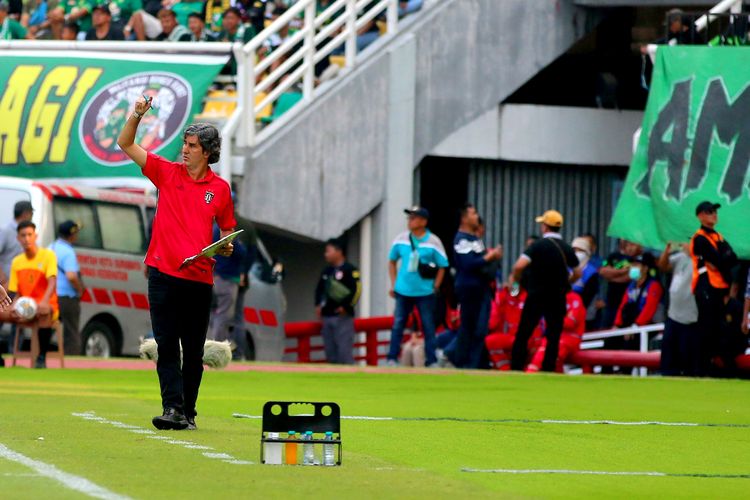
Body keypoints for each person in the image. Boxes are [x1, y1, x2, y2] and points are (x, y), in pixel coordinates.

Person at [117, 96, 236, 431]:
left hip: (199, 278)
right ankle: (172, 409)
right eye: (185, 143)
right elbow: (125, 143)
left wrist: (226, 247)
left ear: (208, 151)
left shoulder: (221, 190)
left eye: (192, 145)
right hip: (162, 274)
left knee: (193, 351)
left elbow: (228, 230)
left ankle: (189, 411)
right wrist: (138, 114)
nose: (185, 150)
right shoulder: (166, 173)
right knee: (167, 345)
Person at [510, 210, 580, 372]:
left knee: (524, 332)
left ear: (545, 227)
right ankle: (549, 368)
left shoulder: (537, 246)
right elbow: (577, 273)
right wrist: (565, 284)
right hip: (557, 296)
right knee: (553, 335)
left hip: (536, 295)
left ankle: (516, 366)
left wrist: (517, 284)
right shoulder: (567, 248)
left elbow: (518, 266)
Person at [386, 206, 449, 367]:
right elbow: (392, 261)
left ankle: (431, 360)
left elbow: (443, 265)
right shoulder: (401, 239)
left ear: (423, 222)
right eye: (409, 218)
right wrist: (394, 284)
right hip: (403, 289)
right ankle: (391, 358)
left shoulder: (433, 241)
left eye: (413, 218)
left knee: (428, 325)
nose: (410, 221)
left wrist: (436, 285)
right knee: (398, 323)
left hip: (425, 290)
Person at [690, 201, 737, 377]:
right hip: (706, 286)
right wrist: (724, 258)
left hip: (719, 286)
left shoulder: (717, 236)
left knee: (720, 327)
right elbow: (718, 259)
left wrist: (724, 258)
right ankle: (701, 368)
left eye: (715, 212)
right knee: (706, 327)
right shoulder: (700, 237)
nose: (714, 215)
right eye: (709, 212)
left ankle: (719, 366)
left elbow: (731, 257)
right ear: (700, 216)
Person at [452, 204, 501, 368]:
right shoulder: (461, 239)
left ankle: (473, 363)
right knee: (469, 327)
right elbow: (468, 264)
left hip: (482, 288)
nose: (476, 216)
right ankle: (462, 363)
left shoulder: (476, 240)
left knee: (480, 329)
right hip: (469, 288)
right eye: (473, 214)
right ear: (464, 218)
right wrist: (490, 257)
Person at [7, 221, 58, 369]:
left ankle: (41, 358)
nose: (27, 239)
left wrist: (44, 301)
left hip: (45, 303)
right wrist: (12, 306)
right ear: (18, 238)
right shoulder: (16, 262)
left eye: (30, 235)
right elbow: (15, 292)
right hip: (25, 305)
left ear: (35, 236)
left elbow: (52, 282)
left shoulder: (48, 256)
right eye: (23, 235)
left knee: (44, 312)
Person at [314, 238, 361, 365]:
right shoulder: (327, 271)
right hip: (327, 315)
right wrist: (318, 305)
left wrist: (346, 306)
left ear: (338, 251)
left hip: (342, 317)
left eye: (328, 251)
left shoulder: (350, 270)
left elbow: (357, 290)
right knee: (330, 353)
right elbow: (319, 289)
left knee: (344, 353)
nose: (326, 254)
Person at [657, 242, 699, 376]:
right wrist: (667, 251)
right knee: (668, 356)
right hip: (673, 315)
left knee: (686, 357)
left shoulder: (701, 261)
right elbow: (663, 266)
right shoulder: (680, 257)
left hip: (690, 318)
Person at [526, 288, 586, 373]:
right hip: (553, 335)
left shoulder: (574, 298)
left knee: (550, 352)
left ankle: (531, 373)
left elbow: (570, 323)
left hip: (570, 338)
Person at [49, 221, 84, 356]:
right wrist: (79, 289)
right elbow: (71, 276)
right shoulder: (68, 252)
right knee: (71, 332)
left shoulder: (50, 247)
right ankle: (71, 360)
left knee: (46, 327)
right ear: (71, 235)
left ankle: (40, 356)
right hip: (67, 297)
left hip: (51, 295)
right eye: (76, 233)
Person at [209, 224, 247, 344]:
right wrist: (238, 242)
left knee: (216, 314)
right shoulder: (225, 230)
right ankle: (217, 345)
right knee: (224, 314)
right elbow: (241, 252)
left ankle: (214, 343)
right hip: (226, 278)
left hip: (215, 276)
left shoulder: (213, 229)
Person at [614, 253, 663, 344]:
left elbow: (649, 309)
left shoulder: (653, 286)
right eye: (632, 265)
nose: (633, 267)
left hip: (649, 326)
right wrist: (617, 324)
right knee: (611, 341)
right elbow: (623, 305)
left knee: (631, 344)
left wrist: (637, 325)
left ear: (645, 268)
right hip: (632, 325)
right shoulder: (631, 286)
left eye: (636, 265)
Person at [599, 240, 642, 328]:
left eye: (632, 244)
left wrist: (612, 276)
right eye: (628, 244)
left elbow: (629, 277)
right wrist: (621, 271)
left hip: (627, 300)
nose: (629, 247)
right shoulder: (612, 256)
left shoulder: (638, 260)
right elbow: (602, 271)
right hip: (611, 299)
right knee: (606, 326)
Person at [0, 201, 34, 289]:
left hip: (22, 284)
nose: (32, 216)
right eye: (31, 213)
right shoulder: (5, 231)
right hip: (7, 285)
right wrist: (3, 279)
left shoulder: (28, 232)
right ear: (25, 214)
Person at [570, 236, 599, 309]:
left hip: (582, 311)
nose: (577, 253)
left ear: (587, 252)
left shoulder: (591, 272)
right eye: (574, 250)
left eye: (580, 250)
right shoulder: (567, 267)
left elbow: (587, 298)